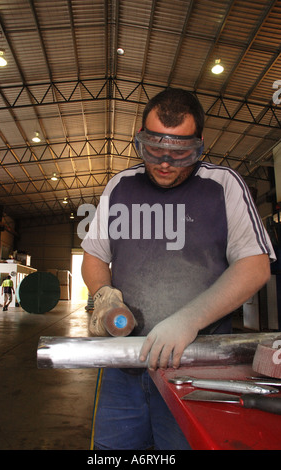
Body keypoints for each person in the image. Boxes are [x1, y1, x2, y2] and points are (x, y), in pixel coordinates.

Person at [81, 88, 275, 450]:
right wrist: (105, 298)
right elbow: (94, 256)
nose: (165, 162)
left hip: (196, 369)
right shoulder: (120, 187)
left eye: (181, 152)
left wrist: (189, 319)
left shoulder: (223, 186)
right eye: (153, 149)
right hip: (124, 365)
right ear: (139, 138)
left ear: (201, 144)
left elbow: (255, 266)